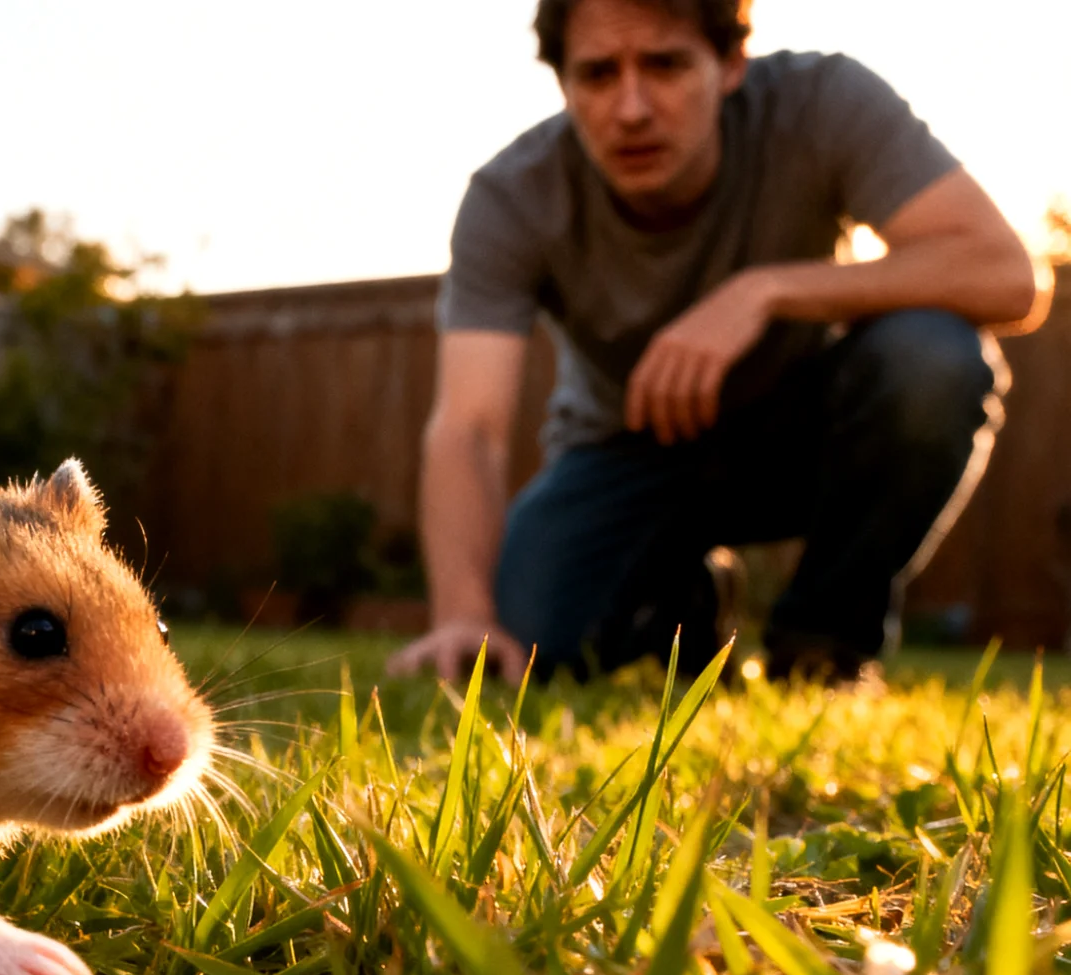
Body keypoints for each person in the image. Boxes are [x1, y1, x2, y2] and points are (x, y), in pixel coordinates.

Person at [387, 0, 1036, 684]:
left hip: (801, 433)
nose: (631, 108)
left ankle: (822, 646)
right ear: (563, 82)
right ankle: (682, 606)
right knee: (527, 648)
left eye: (664, 65)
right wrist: (463, 611)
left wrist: (763, 291)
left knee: (931, 360)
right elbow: (469, 426)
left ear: (730, 64)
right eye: (598, 74)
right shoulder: (512, 196)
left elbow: (1006, 276)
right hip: (624, 450)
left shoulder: (823, 103)